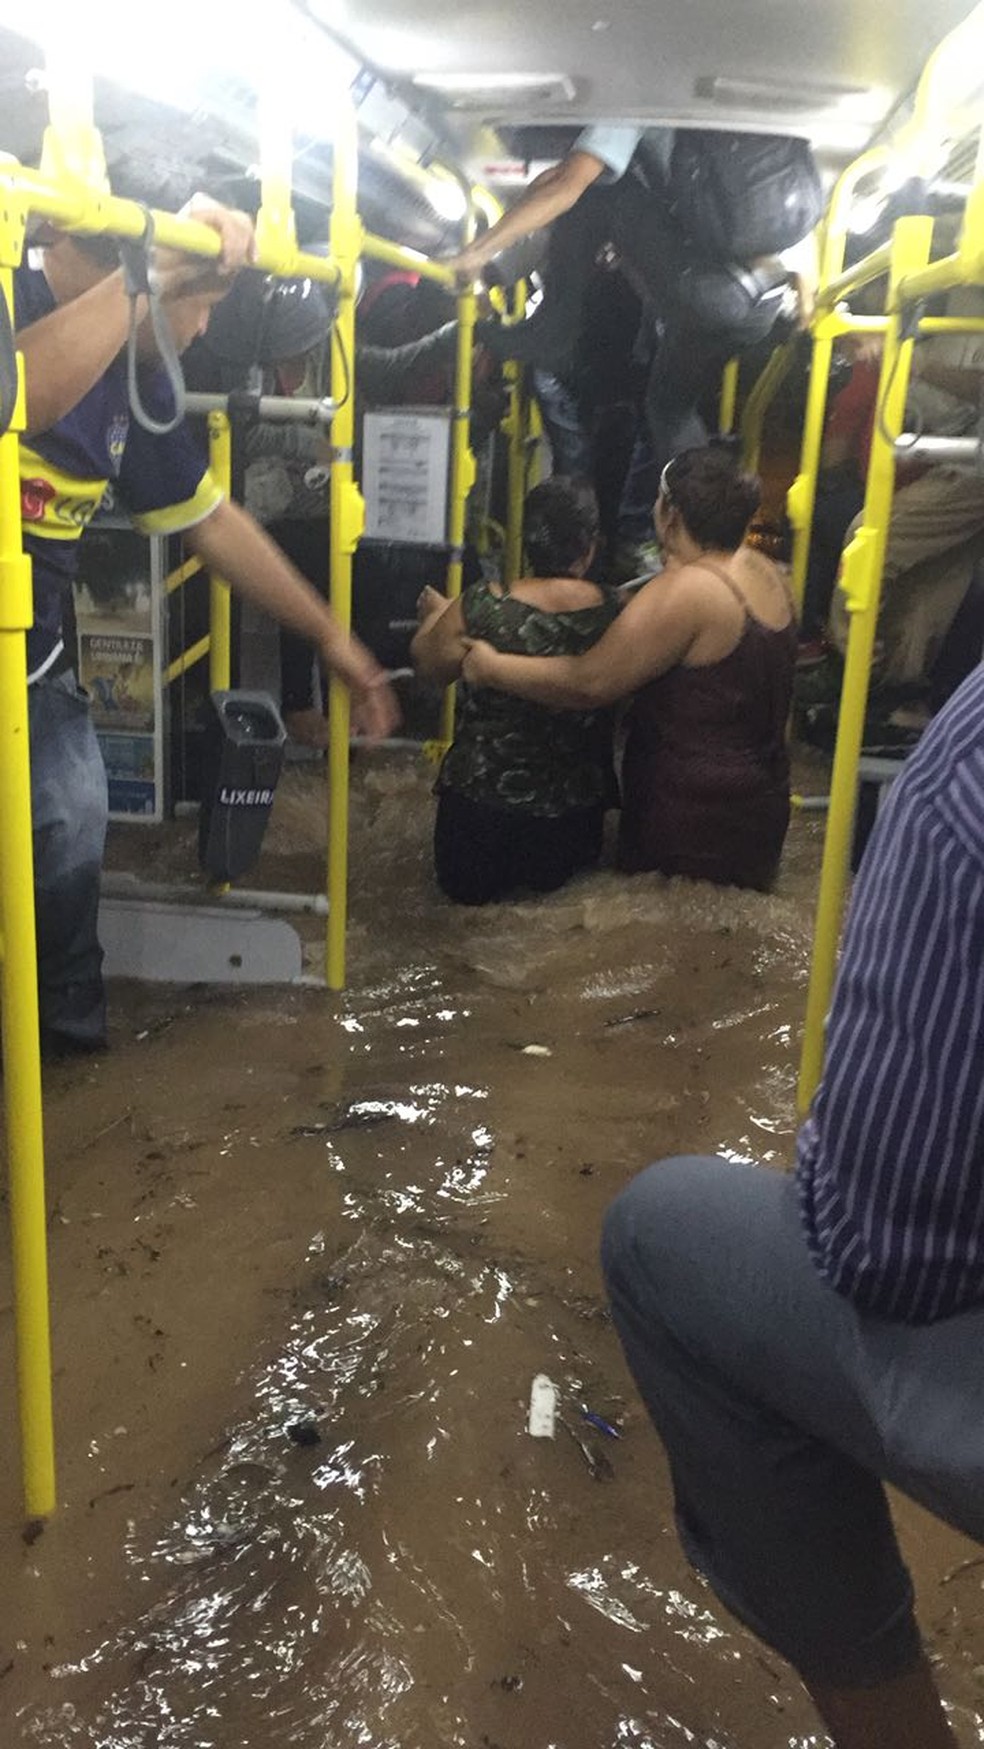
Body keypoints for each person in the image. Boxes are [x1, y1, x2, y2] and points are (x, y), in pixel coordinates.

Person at [600, 659, 984, 1749]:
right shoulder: (755, 600)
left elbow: (886, 1246)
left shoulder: (967, 769)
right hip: (746, 847)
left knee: (665, 1240)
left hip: (669, 842)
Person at [15, 199, 398, 1057]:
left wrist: (333, 637)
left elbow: (212, 521)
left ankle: (64, 1046)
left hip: (33, 646)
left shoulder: (141, 380)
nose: (203, 328)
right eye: (204, 301)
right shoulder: (12, 294)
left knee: (70, 820)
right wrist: (150, 273)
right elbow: (21, 395)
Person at [451, 127, 819, 572]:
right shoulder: (752, 161)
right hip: (761, 307)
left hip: (709, 292)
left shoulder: (636, 103)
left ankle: (555, 327)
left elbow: (566, 185)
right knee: (669, 409)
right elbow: (805, 278)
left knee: (597, 187)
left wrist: (477, 255)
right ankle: (705, 545)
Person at [463, 445, 797, 891]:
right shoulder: (768, 570)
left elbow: (589, 682)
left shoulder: (686, 591)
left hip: (688, 826)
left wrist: (493, 667)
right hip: (761, 816)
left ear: (670, 515)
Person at [411, 477, 619, 904]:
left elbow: (429, 666)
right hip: (571, 823)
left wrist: (437, 616)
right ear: (590, 546)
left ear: (527, 544)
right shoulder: (621, 613)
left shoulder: (482, 605)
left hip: (477, 821)